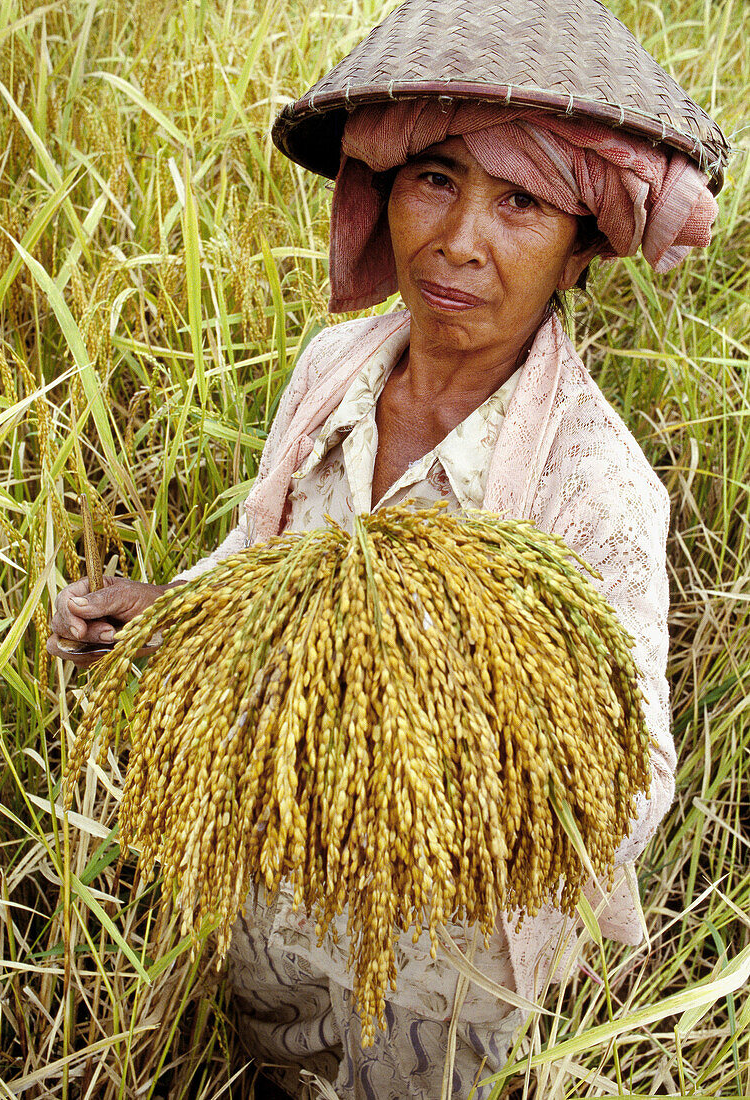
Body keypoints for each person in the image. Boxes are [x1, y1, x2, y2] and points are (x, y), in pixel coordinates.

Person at [49, 0, 728, 1095]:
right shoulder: (333, 370)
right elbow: (263, 560)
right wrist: (172, 611)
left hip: (440, 950)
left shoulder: (591, 487)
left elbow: (626, 782)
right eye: (433, 179)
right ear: (381, 192)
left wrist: (405, 741)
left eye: (519, 200)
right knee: (269, 1045)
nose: (458, 238)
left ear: (578, 249)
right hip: (274, 884)